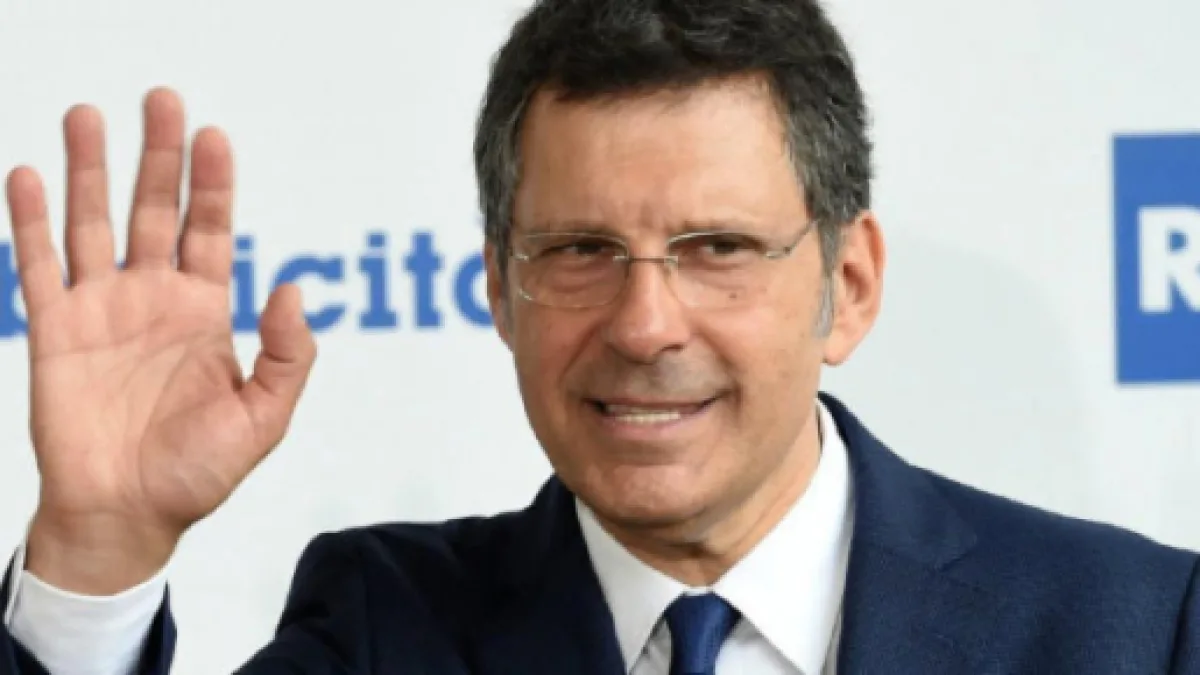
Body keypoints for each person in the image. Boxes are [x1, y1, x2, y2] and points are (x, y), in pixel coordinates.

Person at [2, 0, 1198, 673]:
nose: (644, 324)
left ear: (849, 284)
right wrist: (97, 555)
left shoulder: (1137, 631)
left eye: (717, 248)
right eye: (580, 250)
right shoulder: (385, 627)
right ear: (499, 288)